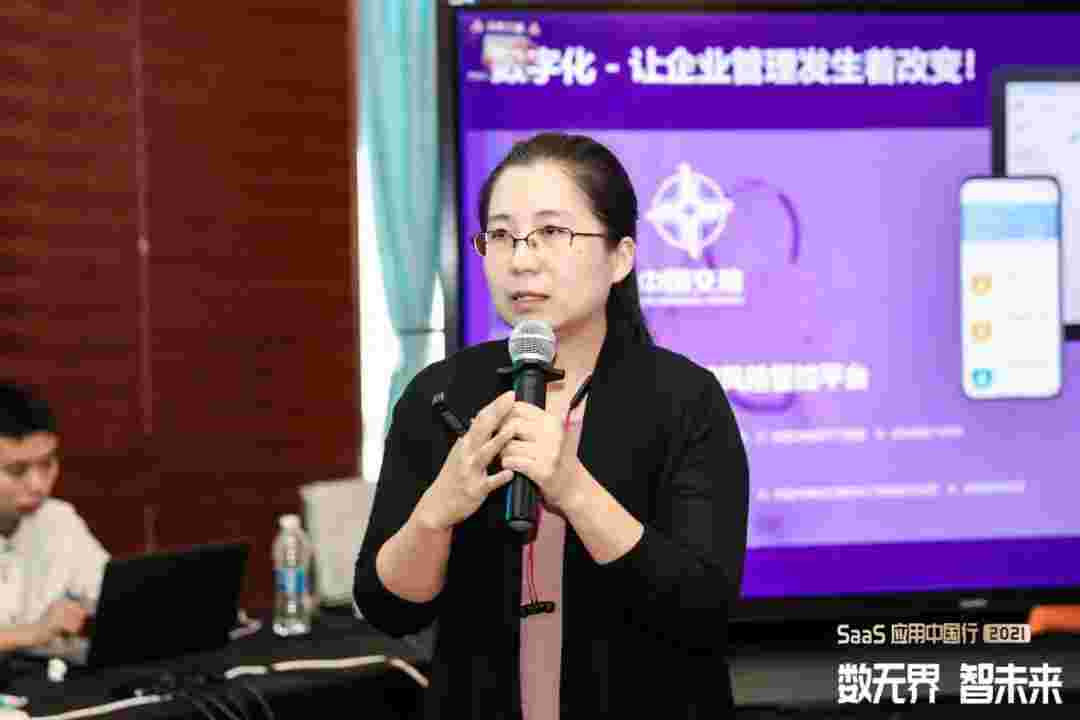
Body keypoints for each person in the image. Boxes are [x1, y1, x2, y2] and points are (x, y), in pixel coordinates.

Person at [354, 133, 749, 718]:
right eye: (501, 235)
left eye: (552, 232)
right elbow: (388, 609)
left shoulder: (685, 400)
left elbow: (702, 612)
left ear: (620, 257)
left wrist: (572, 488)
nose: (521, 259)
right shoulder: (440, 395)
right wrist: (437, 511)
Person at [0, 382, 109, 652]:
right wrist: (31, 634)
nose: (38, 485)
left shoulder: (57, 519)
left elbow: (108, 596)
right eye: (16, 471)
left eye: (47, 464)